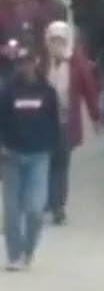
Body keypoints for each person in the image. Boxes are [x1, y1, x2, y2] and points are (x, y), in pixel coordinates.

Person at [0, 53, 59, 270]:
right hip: (12, 156)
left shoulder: (47, 91)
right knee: (12, 211)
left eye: (28, 61)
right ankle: (14, 255)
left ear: (36, 62)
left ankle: (29, 249)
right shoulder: (7, 91)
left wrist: (53, 146)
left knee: (35, 208)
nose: (25, 66)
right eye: (21, 62)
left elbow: (54, 120)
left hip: (39, 155)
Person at [39, 20, 101, 225]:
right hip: (41, 122)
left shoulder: (76, 63)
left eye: (61, 41)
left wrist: (96, 116)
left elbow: (89, 90)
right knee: (44, 163)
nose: (56, 45)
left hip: (66, 121)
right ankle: (46, 199)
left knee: (61, 164)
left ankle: (58, 206)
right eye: (53, 41)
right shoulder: (40, 63)